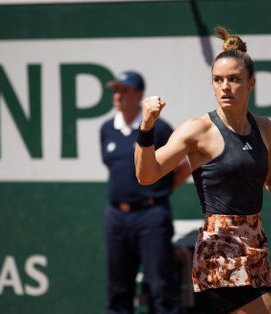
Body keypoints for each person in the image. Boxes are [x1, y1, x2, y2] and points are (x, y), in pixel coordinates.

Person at [134, 27, 271, 314]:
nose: (225, 86)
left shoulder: (263, 128)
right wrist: (147, 127)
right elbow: (146, 174)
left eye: (234, 79)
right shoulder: (197, 130)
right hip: (220, 251)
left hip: (255, 247)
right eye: (218, 80)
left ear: (250, 84)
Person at [100, 70, 188, 314]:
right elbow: (112, 167)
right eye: (116, 90)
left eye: (125, 90)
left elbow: (183, 168)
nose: (118, 95)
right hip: (116, 217)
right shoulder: (106, 129)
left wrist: (161, 192)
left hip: (152, 217)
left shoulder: (159, 129)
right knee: (118, 290)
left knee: (162, 289)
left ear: (139, 94)